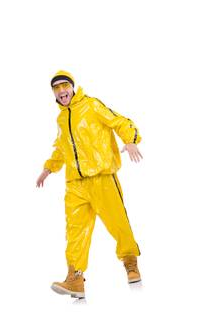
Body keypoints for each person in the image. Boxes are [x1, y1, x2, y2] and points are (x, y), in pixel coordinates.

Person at [36, 71, 146, 299]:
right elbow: (61, 147)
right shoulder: (60, 119)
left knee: (118, 223)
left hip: (102, 177)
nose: (61, 91)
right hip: (75, 184)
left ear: (72, 88)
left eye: (64, 86)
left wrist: (130, 140)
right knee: (75, 232)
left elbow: (120, 121)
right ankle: (75, 278)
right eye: (56, 89)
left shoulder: (92, 105)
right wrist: (48, 168)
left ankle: (130, 262)